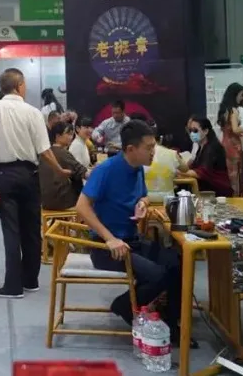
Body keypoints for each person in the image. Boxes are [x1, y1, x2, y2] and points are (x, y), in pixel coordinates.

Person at [75, 120, 189, 345]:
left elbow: (143, 195)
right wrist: (110, 239)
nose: (154, 152)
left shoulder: (137, 169)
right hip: (107, 247)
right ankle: (125, 306)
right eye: (149, 148)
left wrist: (142, 204)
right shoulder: (106, 170)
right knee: (158, 275)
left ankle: (172, 323)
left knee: (178, 262)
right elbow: (82, 207)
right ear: (130, 149)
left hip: (132, 240)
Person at [0, 68, 71, 299]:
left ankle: (12, 286)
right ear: (20, 85)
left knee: (11, 230)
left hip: (4, 175)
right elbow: (44, 150)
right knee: (32, 228)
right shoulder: (33, 112)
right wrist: (59, 170)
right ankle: (30, 279)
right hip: (30, 174)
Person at [177, 117, 232, 197]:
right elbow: (193, 167)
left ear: (206, 131)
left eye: (195, 130)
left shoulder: (212, 148)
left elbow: (202, 172)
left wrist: (177, 171)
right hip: (207, 189)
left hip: (217, 192)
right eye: (190, 131)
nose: (192, 134)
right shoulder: (201, 147)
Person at [40, 121, 88, 211]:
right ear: (58, 136)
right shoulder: (63, 153)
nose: (71, 137)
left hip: (45, 201)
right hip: (62, 201)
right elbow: (82, 172)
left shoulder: (46, 153)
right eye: (68, 134)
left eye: (72, 134)